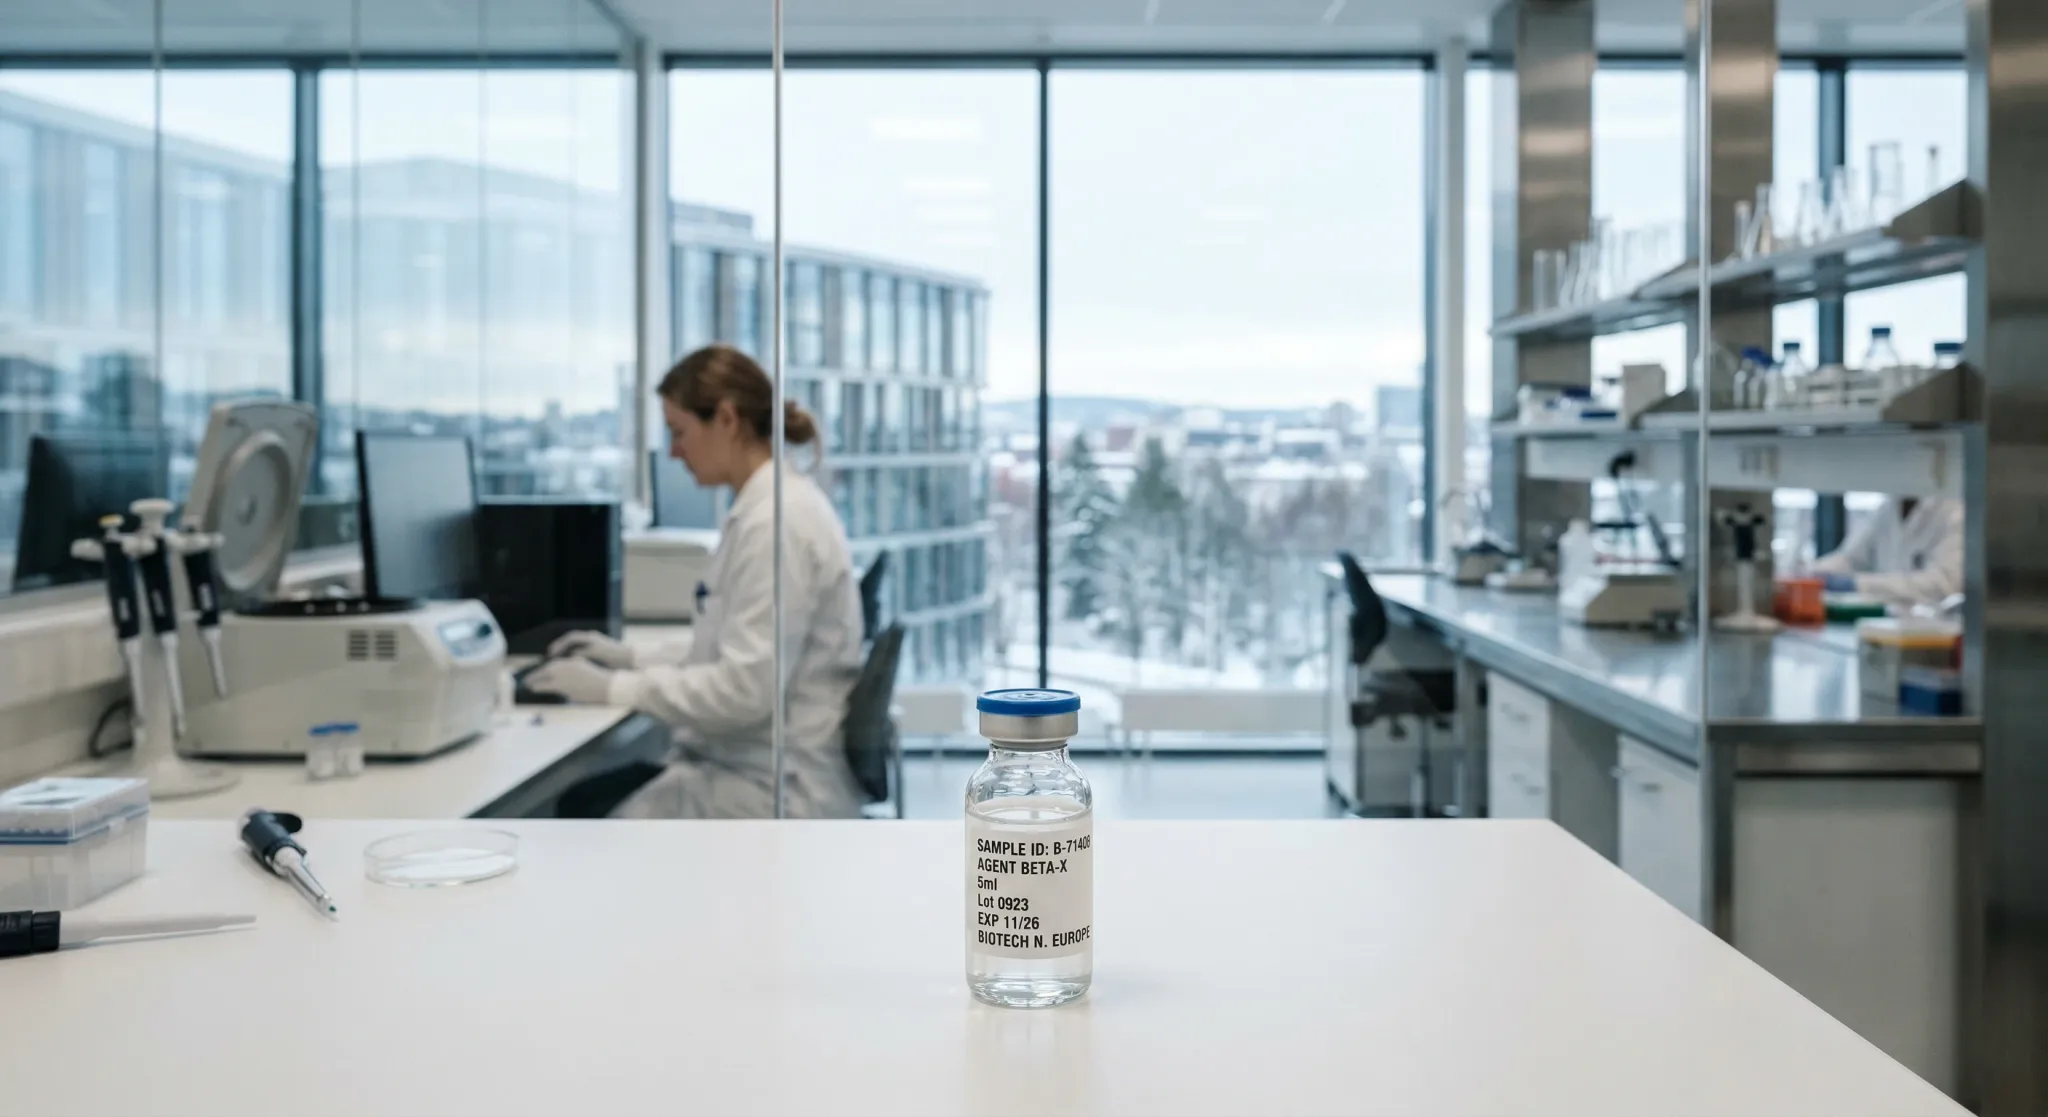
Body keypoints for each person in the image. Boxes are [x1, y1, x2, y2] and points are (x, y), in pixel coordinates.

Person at [525, 345, 866, 819]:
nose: (673, 451)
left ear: (727, 419)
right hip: (751, 764)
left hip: (773, 787)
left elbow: (743, 690)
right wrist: (627, 657)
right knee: (584, 804)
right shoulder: (766, 509)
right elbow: (730, 651)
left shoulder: (776, 524)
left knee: (585, 835)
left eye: (679, 431)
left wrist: (613, 688)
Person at [1808, 496, 1963, 610]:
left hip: (1934, 630)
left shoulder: (1955, 511)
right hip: (1887, 625)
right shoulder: (1888, 507)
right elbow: (1850, 558)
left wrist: (1858, 584)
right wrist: (1810, 573)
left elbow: (1944, 583)